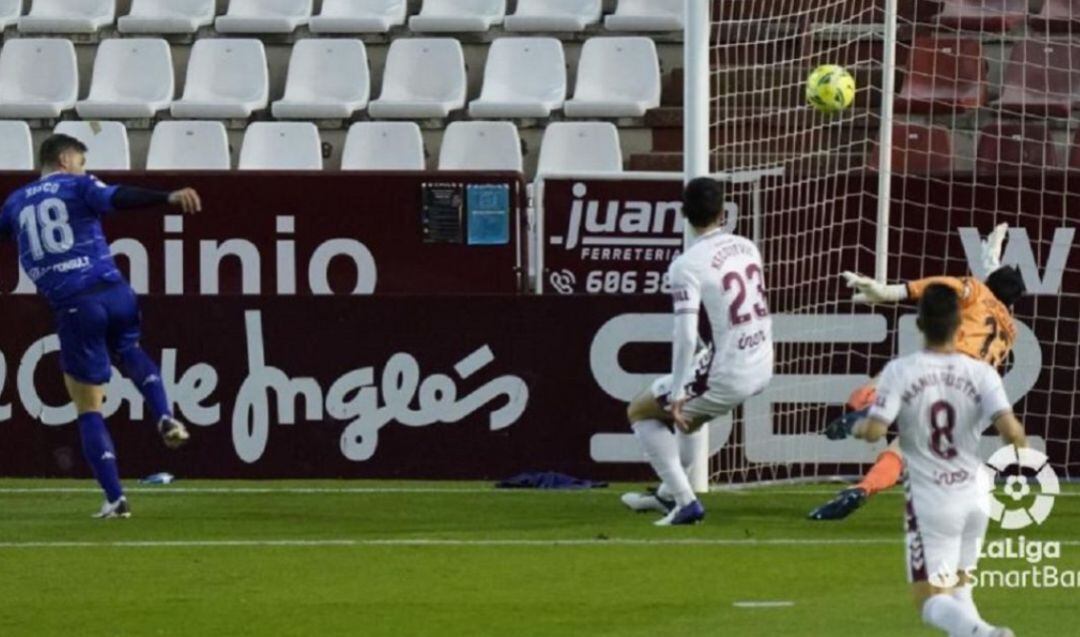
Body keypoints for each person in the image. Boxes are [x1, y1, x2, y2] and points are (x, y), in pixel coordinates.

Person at [0, 134, 202, 519]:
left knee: (88, 406)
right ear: (64, 159)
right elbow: (118, 197)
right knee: (130, 350)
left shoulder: (14, 202)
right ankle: (163, 413)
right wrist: (166, 198)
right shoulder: (79, 186)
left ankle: (115, 499)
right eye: (81, 162)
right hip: (114, 290)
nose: (83, 169)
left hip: (75, 305)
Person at [810, 224, 1027, 521]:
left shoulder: (976, 290)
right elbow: (997, 287)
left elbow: (945, 285)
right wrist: (991, 257)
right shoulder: (1010, 329)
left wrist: (890, 292)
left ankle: (867, 412)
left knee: (867, 392)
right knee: (901, 451)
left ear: (988, 282)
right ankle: (862, 489)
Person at [841, 284, 1023, 637]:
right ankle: (982, 631)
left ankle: (987, 634)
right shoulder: (983, 373)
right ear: (958, 325)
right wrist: (1018, 446)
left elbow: (876, 431)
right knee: (961, 590)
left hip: (933, 498)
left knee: (930, 600)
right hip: (977, 493)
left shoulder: (901, 371)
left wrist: (858, 427)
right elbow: (1012, 433)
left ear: (919, 324)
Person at [621, 177, 773, 525]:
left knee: (640, 411)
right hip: (762, 361)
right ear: (723, 213)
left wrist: (677, 392)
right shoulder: (747, 247)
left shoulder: (686, 265)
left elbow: (686, 336)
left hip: (729, 372)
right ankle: (666, 494)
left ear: (683, 214)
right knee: (688, 418)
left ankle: (685, 501)